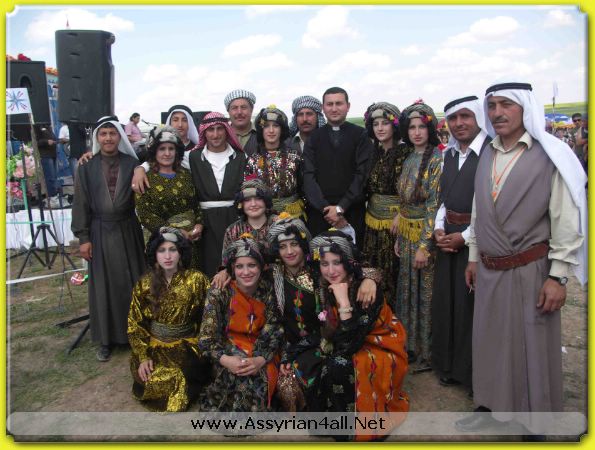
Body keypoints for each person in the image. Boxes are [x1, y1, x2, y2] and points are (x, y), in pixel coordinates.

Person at [458, 81, 586, 438]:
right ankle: (490, 409)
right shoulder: (488, 152)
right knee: (490, 341)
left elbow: (565, 218)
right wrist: (473, 255)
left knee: (532, 346)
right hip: (489, 268)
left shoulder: (551, 155)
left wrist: (558, 276)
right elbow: (479, 208)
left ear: (525, 108)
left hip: (531, 269)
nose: (497, 113)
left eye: (506, 105)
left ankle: (534, 423)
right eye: (492, 105)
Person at [266, 216, 379, 412]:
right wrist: (225, 270)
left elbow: (356, 265)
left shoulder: (319, 270)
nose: (289, 251)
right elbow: (244, 265)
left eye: (294, 244)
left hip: (330, 339)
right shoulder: (273, 275)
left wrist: (371, 279)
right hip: (299, 345)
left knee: (331, 373)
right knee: (287, 387)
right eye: (283, 246)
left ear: (304, 244)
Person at [310, 230, 409, 441]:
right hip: (352, 341)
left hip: (381, 347)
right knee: (323, 362)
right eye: (324, 264)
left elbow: (348, 345)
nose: (330, 270)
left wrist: (344, 303)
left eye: (337, 262)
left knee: (338, 364)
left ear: (348, 262)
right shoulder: (323, 285)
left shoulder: (366, 292)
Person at [71, 116, 145, 361]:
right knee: (103, 287)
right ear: (97, 138)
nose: (108, 138)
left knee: (132, 283)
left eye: (113, 133)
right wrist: (83, 237)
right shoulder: (87, 167)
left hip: (128, 229)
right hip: (99, 231)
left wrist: (141, 167)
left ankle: (135, 334)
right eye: (103, 134)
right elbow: (80, 204)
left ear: (119, 137)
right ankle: (106, 339)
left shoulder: (132, 163)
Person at [431, 95, 490, 391]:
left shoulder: (491, 153)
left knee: (470, 309)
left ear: (478, 118)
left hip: (478, 241)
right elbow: (443, 198)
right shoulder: (450, 155)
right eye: (453, 118)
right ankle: (448, 367)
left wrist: (465, 237)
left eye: (465, 116)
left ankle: (471, 374)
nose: (459, 123)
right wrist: (439, 228)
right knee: (447, 304)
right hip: (447, 238)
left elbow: (492, 206)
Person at [128, 227, 211, 411]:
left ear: (180, 253)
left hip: (187, 346)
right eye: (162, 250)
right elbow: (135, 323)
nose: (167, 256)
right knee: (152, 376)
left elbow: (209, 316)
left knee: (183, 374)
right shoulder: (144, 284)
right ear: (155, 255)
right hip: (155, 348)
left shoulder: (197, 279)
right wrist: (143, 357)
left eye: (172, 250)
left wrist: (204, 343)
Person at [199, 235, 283, 412]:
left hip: (262, 350)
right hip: (227, 350)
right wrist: (226, 360)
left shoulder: (268, 290)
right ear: (232, 268)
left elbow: (275, 330)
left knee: (256, 376)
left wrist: (260, 360)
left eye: (252, 265)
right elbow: (206, 338)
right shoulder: (219, 292)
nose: (246, 272)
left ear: (261, 266)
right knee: (238, 372)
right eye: (239, 266)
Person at [393, 101, 442, 371]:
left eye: (421, 127)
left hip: (424, 237)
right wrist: (400, 232)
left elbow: (434, 205)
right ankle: (409, 345)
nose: (416, 132)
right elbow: (404, 200)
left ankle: (427, 351)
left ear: (430, 128)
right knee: (407, 290)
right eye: (411, 127)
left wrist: (425, 245)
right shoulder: (410, 157)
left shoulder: (436, 159)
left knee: (425, 293)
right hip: (407, 235)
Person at [303, 87, 374, 248]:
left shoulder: (361, 135)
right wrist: (326, 209)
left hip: (352, 212)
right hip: (320, 214)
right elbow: (308, 175)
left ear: (348, 106)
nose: (334, 109)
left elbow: (362, 174)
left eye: (339, 103)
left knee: (351, 257)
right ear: (323, 108)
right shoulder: (313, 138)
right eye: (329, 104)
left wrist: (341, 207)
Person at [362, 101, 410, 305]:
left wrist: (402, 213)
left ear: (395, 126)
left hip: (396, 226)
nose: (380, 128)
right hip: (372, 224)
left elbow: (413, 190)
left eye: (385, 123)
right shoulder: (373, 153)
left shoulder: (406, 153)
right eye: (376, 124)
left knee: (394, 272)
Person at [134, 125, 202, 268]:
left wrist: (199, 224)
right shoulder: (146, 178)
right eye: (162, 149)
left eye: (171, 149)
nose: (167, 153)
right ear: (154, 151)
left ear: (177, 151)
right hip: (162, 245)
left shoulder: (186, 175)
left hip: (189, 243)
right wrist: (175, 232)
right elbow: (144, 213)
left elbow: (196, 204)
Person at [188, 112, 246, 277]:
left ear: (227, 130)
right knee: (209, 266)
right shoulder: (193, 157)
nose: (215, 134)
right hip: (205, 222)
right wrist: (140, 168)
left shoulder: (240, 156)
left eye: (219, 129)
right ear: (204, 132)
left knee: (235, 265)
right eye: (210, 129)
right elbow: (165, 161)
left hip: (234, 218)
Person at [211, 178, 278, 289]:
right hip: (244, 284)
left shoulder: (278, 224)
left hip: (276, 282)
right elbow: (226, 263)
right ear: (241, 204)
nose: (253, 204)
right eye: (247, 200)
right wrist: (224, 271)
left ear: (266, 201)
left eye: (258, 198)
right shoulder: (232, 230)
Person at [244, 105, 305, 219]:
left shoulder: (295, 157)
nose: (271, 130)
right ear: (261, 130)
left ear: (282, 129)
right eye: (266, 126)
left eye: (276, 126)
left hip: (292, 216)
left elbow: (304, 189)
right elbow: (249, 191)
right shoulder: (252, 160)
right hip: (262, 217)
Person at [224, 89, 258, 156]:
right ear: (228, 111)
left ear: (251, 109)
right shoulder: (221, 136)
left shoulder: (263, 134)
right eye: (234, 108)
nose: (239, 112)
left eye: (243, 107)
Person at [34, 124, 61, 208]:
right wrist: (46, 142)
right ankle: (52, 198)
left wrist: (58, 140)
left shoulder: (48, 127)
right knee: (50, 178)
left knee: (54, 177)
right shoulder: (38, 127)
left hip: (53, 155)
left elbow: (54, 139)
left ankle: (54, 197)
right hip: (46, 156)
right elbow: (36, 142)